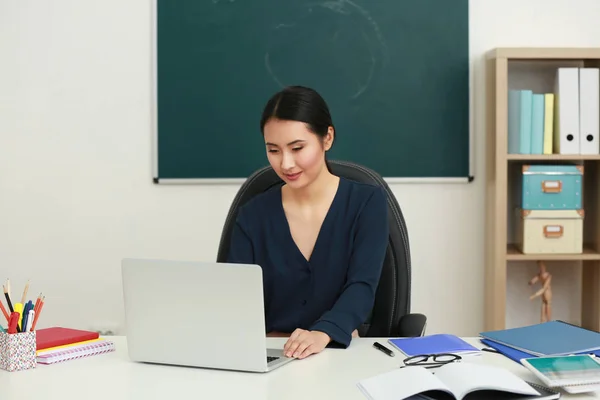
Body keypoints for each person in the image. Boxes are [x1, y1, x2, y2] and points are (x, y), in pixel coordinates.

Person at [227, 85, 389, 360]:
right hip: (270, 355)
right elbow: (233, 297)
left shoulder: (367, 203)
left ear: (327, 138)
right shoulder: (252, 215)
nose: (286, 163)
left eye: (297, 148)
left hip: (337, 352)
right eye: (273, 150)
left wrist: (322, 334)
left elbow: (362, 287)